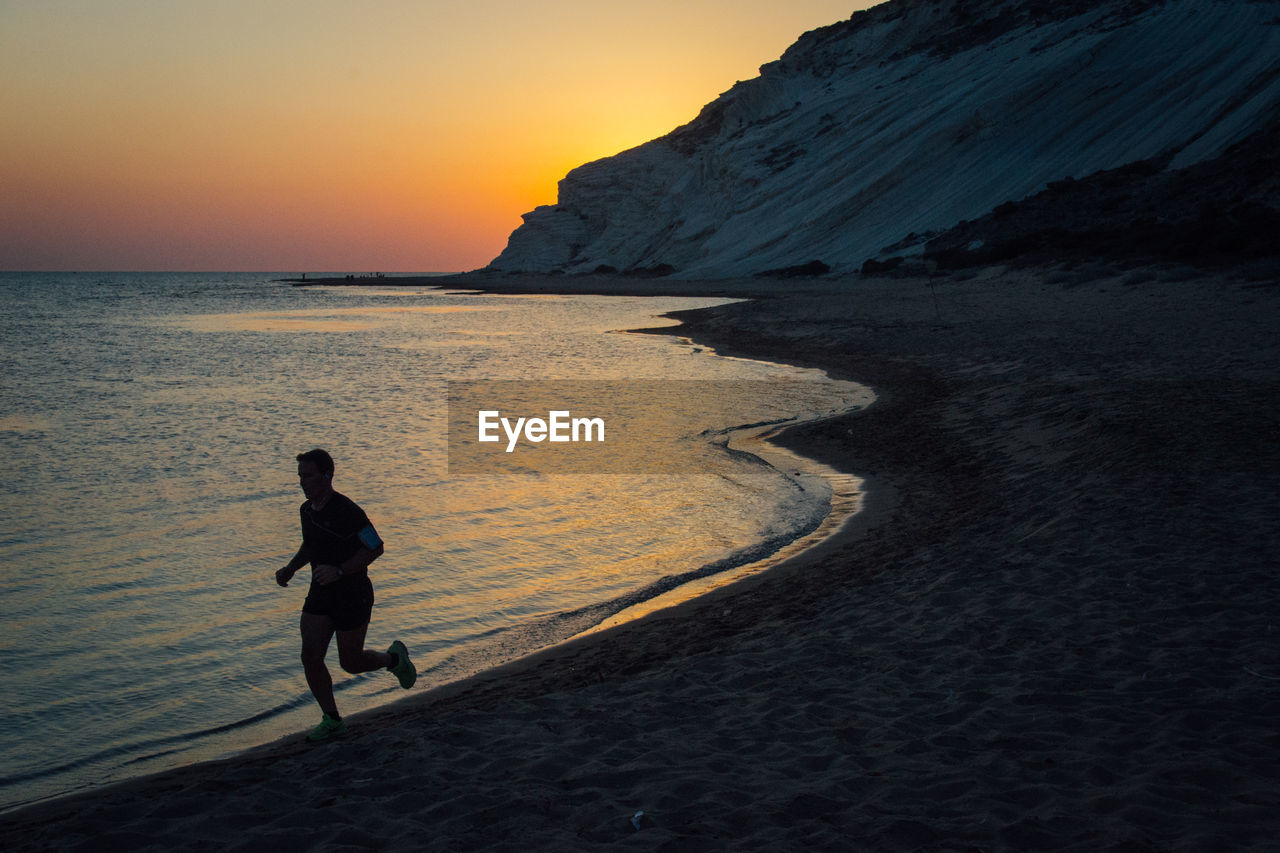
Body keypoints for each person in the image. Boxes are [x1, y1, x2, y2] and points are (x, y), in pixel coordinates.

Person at [276, 448, 416, 741]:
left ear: (327, 475)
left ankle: (394, 660)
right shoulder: (306, 511)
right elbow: (310, 546)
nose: (302, 482)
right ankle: (332, 718)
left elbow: (375, 547)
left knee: (350, 663)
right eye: (300, 476)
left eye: (308, 476)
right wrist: (291, 568)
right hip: (320, 593)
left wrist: (340, 570)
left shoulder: (348, 512)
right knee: (310, 656)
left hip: (353, 593)